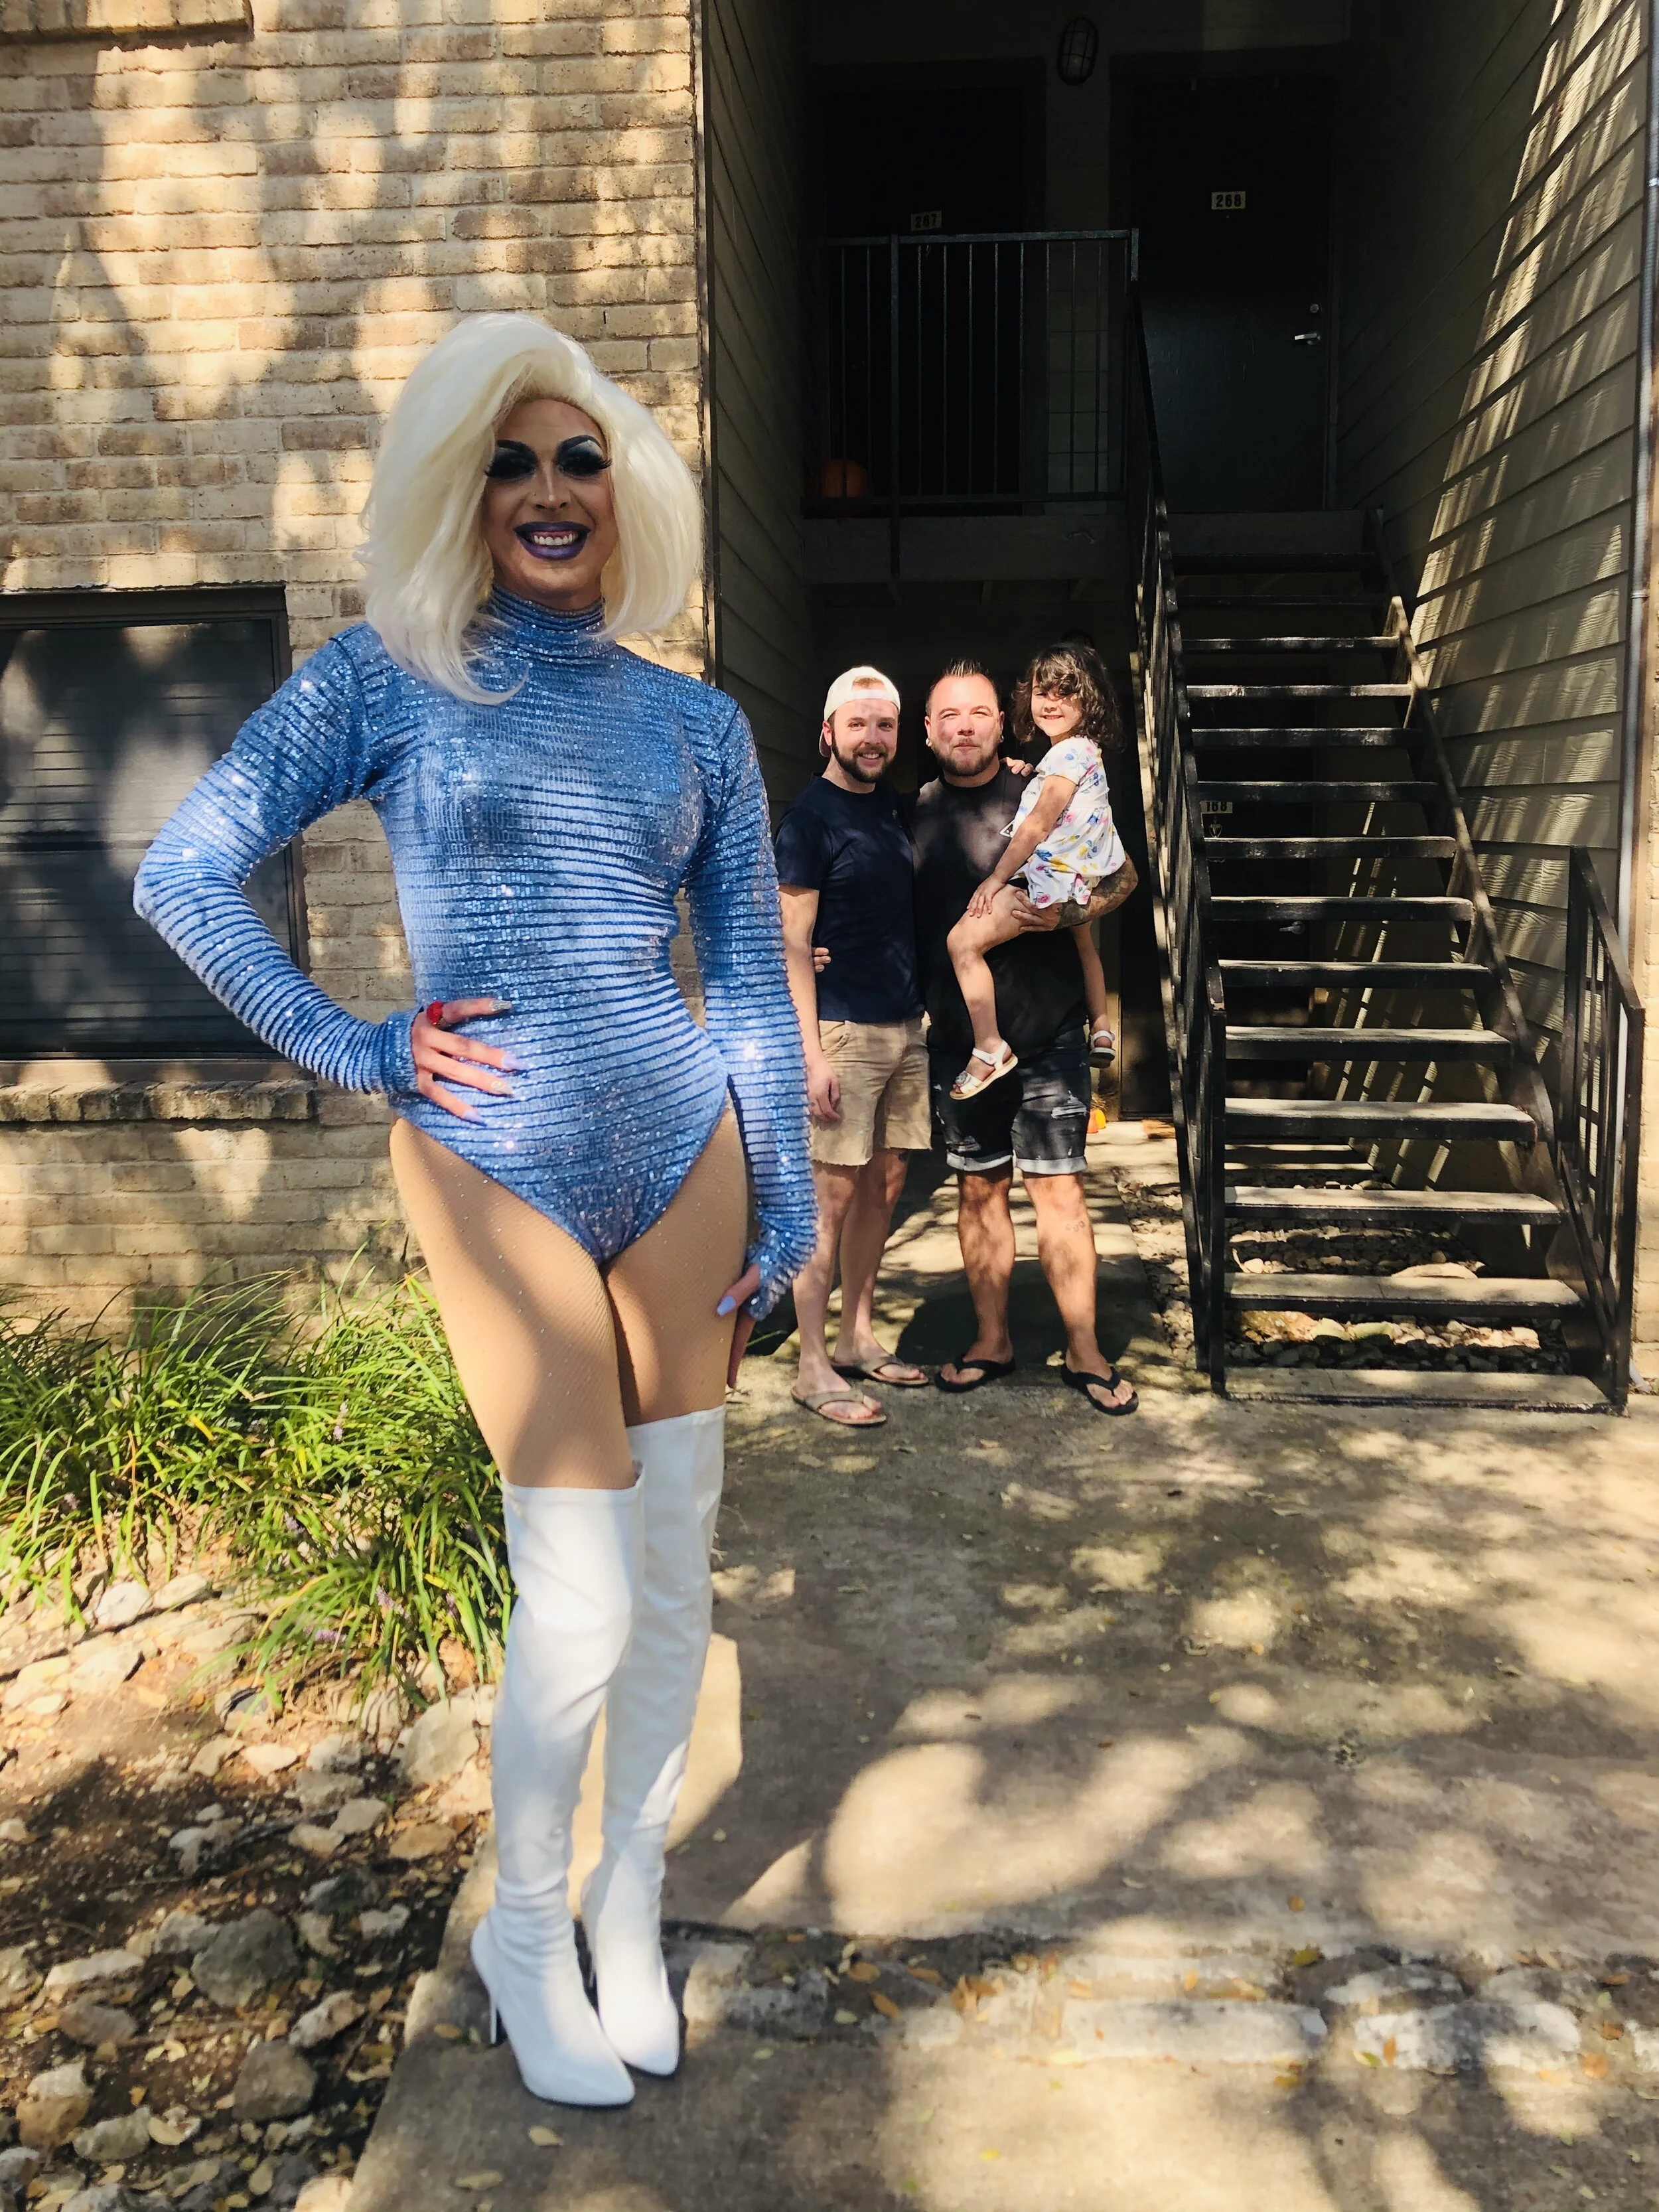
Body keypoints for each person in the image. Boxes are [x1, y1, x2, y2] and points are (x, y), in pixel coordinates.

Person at [133, 313, 816, 2109]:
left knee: (675, 1570)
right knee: (578, 1600)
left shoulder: (698, 722)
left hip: (686, 1146)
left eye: (575, 457)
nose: (544, 489)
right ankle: (521, 1923)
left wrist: (794, 1183)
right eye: (507, 461)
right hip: (488, 1149)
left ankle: (623, 1897)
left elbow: (743, 967)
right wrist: (350, 1039)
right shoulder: (384, 674)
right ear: (463, 486)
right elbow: (184, 867)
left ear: (624, 486)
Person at [911, 656, 1139, 1418]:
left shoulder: (1041, 784)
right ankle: (991, 1341)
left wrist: (1069, 914)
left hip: (1047, 1035)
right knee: (979, 1191)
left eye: (977, 712)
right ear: (929, 730)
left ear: (999, 722)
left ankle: (1085, 1349)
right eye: (949, 715)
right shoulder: (910, 811)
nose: (964, 726)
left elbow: (1123, 879)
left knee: (1060, 1193)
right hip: (960, 1042)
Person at [774, 667, 930, 1426]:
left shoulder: (894, 810)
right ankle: (810, 1365)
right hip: (839, 1032)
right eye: (858, 724)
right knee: (827, 1201)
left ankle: (859, 1336)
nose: (873, 738)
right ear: (828, 732)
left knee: (885, 1186)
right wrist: (810, 1057)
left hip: (905, 1026)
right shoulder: (809, 820)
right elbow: (792, 943)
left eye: (885, 726)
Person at [945, 641, 1126, 1098]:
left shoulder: (1066, 756)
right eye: (1043, 691)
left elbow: (1037, 826)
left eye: (1066, 691)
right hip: (1081, 875)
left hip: (1051, 878)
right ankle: (1102, 1027)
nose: (1051, 701)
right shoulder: (1083, 753)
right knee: (1085, 942)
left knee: (962, 943)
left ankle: (989, 1047)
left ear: (1089, 699)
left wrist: (995, 878)